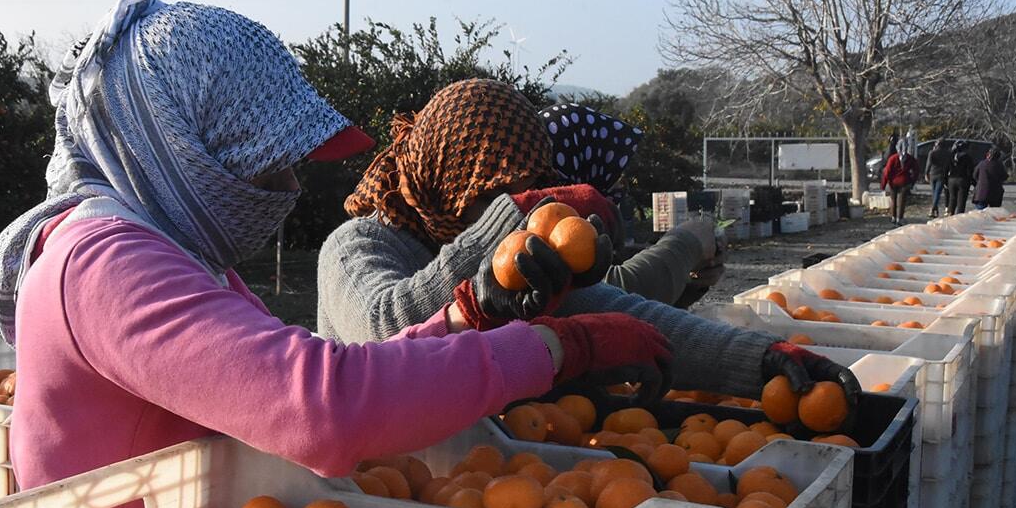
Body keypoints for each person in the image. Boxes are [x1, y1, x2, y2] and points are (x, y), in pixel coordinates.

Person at [0, 0, 665, 508]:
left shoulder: (167, 249)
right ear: (178, 144)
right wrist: (554, 346)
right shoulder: (104, 263)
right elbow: (323, 408)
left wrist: (469, 314)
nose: (286, 185)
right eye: (262, 160)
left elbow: (303, 374)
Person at [317, 78, 860, 408]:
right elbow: (383, 330)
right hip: (374, 491)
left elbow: (630, 315)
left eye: (527, 182)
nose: (514, 199)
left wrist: (761, 361)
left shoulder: (511, 262)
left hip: (475, 483)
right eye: (497, 188)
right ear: (450, 177)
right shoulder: (355, 246)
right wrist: (509, 226)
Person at [538, 102, 725, 307]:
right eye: (611, 168)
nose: (619, 183)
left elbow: (641, 313)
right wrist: (687, 242)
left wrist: (688, 281)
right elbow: (609, 297)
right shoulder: (543, 233)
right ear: (581, 160)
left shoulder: (589, 225)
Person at [880, 142, 920, 225]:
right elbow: (916, 171)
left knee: (893, 200)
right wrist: (912, 181)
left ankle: (893, 217)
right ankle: (900, 218)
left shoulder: (892, 158)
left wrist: (883, 185)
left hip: (893, 182)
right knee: (902, 200)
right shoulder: (910, 158)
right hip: (905, 181)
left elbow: (887, 172)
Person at [945, 140, 975, 215]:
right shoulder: (967, 157)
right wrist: (972, 182)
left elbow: (945, 169)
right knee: (961, 201)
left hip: (951, 179)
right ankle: (959, 217)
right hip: (962, 179)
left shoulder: (950, 156)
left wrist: (945, 181)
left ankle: (950, 214)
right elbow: (970, 171)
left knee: (952, 199)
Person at [926, 139, 953, 218]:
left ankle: (934, 209)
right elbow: (950, 164)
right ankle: (934, 209)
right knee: (937, 193)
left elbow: (929, 164)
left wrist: (926, 173)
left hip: (933, 174)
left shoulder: (932, 152)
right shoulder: (948, 153)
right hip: (942, 174)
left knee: (934, 193)